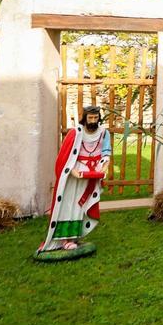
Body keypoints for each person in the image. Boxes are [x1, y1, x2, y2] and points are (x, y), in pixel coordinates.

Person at [37, 106, 111, 254]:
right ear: (85, 118)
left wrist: (104, 166)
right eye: (90, 118)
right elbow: (66, 156)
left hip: (92, 173)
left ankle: (74, 237)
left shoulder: (104, 133)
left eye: (96, 118)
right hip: (75, 173)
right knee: (69, 204)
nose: (93, 121)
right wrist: (72, 170)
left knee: (80, 207)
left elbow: (106, 152)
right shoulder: (76, 133)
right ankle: (63, 238)